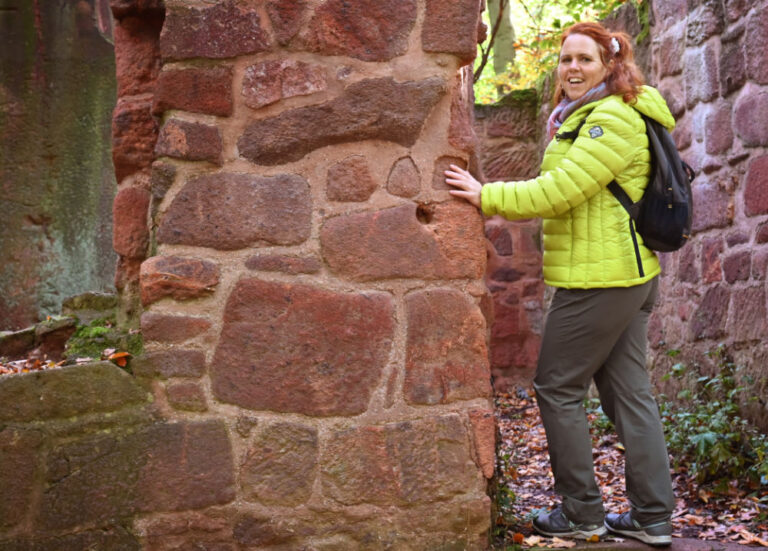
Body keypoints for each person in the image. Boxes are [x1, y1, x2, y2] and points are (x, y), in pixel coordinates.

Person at [446, 21, 676, 547]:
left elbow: (559, 192)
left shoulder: (611, 119)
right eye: (566, 59)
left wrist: (487, 195)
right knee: (629, 396)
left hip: (602, 280)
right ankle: (652, 519)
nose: (572, 68)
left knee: (557, 387)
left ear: (610, 66)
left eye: (585, 60)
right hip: (622, 275)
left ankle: (582, 513)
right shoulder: (590, 115)